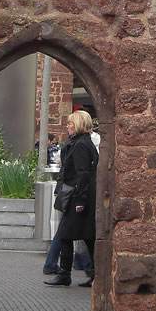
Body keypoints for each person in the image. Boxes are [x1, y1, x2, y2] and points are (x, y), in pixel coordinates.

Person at [46, 110, 98, 288]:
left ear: (78, 125)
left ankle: (65, 274)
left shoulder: (80, 145)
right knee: (86, 236)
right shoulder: (79, 143)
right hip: (79, 194)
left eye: (70, 123)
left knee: (66, 234)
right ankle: (92, 274)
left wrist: (81, 200)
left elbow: (83, 174)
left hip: (79, 196)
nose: (67, 126)